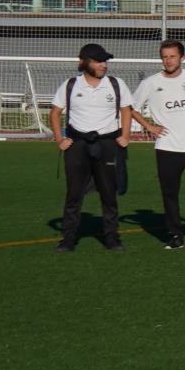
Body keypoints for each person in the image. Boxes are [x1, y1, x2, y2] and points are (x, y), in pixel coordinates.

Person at [131, 39, 185, 249]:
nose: (168, 61)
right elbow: (130, 107)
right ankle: (174, 235)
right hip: (167, 148)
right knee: (170, 193)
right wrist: (150, 127)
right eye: (164, 57)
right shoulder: (151, 83)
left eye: (172, 56)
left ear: (182, 57)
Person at [47, 42, 131, 251]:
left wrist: (125, 136)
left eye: (105, 61)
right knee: (74, 194)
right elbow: (55, 113)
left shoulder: (116, 83)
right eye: (98, 61)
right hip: (78, 145)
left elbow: (126, 110)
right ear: (84, 62)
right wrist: (60, 139)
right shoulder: (70, 85)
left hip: (107, 144)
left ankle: (111, 237)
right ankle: (68, 238)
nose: (104, 64)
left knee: (108, 193)